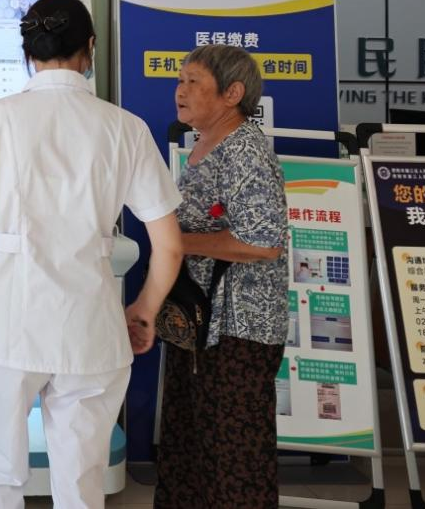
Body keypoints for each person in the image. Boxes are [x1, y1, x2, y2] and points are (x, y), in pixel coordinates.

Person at [0, 0, 184, 509]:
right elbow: (170, 245)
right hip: (90, 326)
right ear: (90, 47)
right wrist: (143, 311)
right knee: (81, 476)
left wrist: (4, 263)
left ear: (28, 52)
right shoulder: (126, 129)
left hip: (7, 323)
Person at [153, 44, 288, 509]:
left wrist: (177, 243)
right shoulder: (204, 145)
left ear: (232, 94)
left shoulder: (245, 151)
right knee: (190, 449)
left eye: (193, 81)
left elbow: (263, 242)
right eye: (179, 80)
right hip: (198, 327)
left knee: (234, 458)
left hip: (238, 332)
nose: (181, 90)